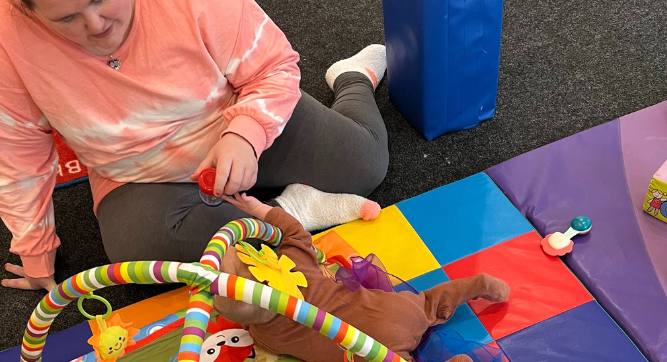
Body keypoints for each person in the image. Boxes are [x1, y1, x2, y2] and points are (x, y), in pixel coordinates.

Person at [0, 0, 389, 291]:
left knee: (366, 166)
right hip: (138, 176)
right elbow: (18, 157)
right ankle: (289, 211)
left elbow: (272, 68)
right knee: (138, 254)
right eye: (67, 18)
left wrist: (244, 134)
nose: (96, 24)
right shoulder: (10, 40)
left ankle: (352, 78)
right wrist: (35, 251)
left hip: (238, 116)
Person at [213, 204, 510, 362]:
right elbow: (293, 230)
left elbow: (250, 320)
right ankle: (477, 285)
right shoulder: (295, 264)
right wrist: (256, 209)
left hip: (378, 355)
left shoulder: (267, 336)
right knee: (427, 304)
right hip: (389, 308)